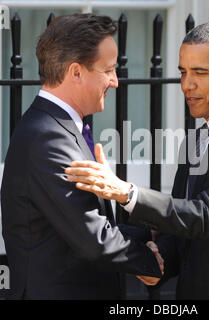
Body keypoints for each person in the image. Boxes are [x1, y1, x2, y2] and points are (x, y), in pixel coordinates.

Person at [65, 21, 209, 299]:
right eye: (183, 72)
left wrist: (125, 192)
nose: (187, 85)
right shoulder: (199, 137)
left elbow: (204, 215)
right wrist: (156, 262)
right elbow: (182, 230)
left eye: (200, 72)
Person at [1, 13, 164, 300]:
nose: (115, 81)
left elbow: (86, 221)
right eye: (109, 70)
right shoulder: (49, 137)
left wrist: (151, 237)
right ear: (76, 72)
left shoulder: (61, 127)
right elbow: (93, 237)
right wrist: (152, 262)